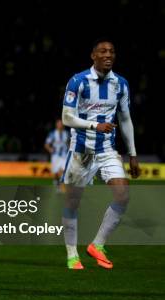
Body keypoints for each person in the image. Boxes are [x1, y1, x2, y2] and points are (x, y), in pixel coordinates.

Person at [60, 39, 140, 270]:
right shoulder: (78, 81)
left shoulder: (121, 84)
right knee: (72, 203)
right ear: (93, 55)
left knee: (123, 195)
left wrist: (132, 154)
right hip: (81, 151)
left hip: (107, 151)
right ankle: (72, 254)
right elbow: (67, 118)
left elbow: (125, 119)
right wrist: (94, 126)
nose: (108, 55)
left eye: (112, 51)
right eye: (103, 51)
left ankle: (97, 244)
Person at [44, 119, 69, 193]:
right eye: (59, 124)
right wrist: (50, 150)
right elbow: (46, 144)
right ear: (56, 125)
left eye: (61, 124)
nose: (60, 125)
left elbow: (70, 143)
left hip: (64, 155)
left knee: (63, 170)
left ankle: (62, 187)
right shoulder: (52, 134)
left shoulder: (67, 133)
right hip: (55, 155)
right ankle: (56, 183)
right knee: (55, 172)